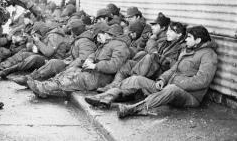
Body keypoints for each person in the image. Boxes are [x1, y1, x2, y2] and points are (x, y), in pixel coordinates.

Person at [88, 26, 218, 119]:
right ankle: (105, 97)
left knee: (172, 89)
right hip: (168, 87)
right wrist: (162, 79)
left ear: (198, 40)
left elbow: (202, 80)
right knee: (137, 79)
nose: (186, 40)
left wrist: (175, 82)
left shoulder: (209, 55)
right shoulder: (188, 51)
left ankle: (137, 108)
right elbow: (173, 70)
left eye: (189, 37)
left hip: (190, 96)